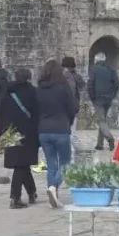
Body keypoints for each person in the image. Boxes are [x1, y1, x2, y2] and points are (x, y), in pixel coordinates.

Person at [37, 60, 79, 208]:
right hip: (61, 128)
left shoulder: (40, 89)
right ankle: (54, 187)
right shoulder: (63, 88)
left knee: (51, 164)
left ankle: (53, 192)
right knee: (66, 163)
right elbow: (73, 107)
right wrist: (68, 119)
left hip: (44, 130)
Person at [0, 68, 39, 209]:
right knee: (20, 165)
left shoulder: (7, 92)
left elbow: (1, 113)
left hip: (10, 132)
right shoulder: (32, 92)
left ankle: (32, 192)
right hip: (27, 133)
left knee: (22, 164)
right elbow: (36, 114)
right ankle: (15, 197)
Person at [88, 52, 119, 151]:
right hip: (108, 98)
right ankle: (99, 144)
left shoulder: (93, 69)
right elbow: (117, 84)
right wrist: (112, 95)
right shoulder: (111, 69)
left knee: (101, 120)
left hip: (98, 98)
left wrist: (92, 97)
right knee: (103, 120)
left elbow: (90, 84)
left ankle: (109, 137)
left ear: (96, 60)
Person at [62, 56, 86, 157]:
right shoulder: (77, 76)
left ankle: (73, 151)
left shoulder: (59, 76)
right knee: (72, 131)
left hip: (63, 107)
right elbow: (83, 88)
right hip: (73, 106)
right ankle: (77, 151)